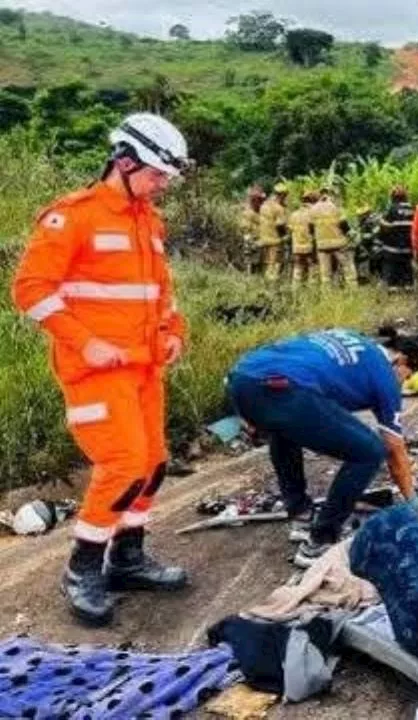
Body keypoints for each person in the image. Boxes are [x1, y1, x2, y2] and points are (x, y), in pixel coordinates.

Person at [11, 113, 191, 626]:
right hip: (96, 371)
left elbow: (160, 292)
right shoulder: (73, 217)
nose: (161, 186)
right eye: (157, 175)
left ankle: (127, 559)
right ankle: (81, 568)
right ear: (125, 161)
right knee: (123, 463)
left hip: (144, 368)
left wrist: (175, 332)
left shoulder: (147, 221)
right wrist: (85, 343)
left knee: (153, 462)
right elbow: (30, 289)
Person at [225, 328, 418, 567]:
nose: (403, 383)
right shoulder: (385, 376)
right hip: (283, 387)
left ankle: (301, 515)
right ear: (400, 361)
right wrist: (414, 503)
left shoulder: (355, 341)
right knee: (369, 452)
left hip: (242, 378)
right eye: (407, 376)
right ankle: (320, 541)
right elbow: (394, 449)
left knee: (286, 428)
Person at [312, 188, 358, 288]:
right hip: (338, 243)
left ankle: (327, 296)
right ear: (330, 194)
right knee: (348, 269)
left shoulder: (314, 208)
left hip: (322, 245)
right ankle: (353, 291)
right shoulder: (335, 206)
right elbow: (343, 223)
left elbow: (311, 226)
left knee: (325, 274)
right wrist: (350, 234)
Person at [378, 186, 417, 289]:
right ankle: (408, 285)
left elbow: (384, 225)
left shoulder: (391, 208)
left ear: (393, 197)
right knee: (407, 265)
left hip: (393, 245)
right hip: (408, 244)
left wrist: (381, 222)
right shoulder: (412, 208)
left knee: (392, 265)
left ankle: (393, 286)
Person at [256, 183, 289, 282]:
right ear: (282, 194)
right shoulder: (278, 208)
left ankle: (264, 282)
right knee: (275, 264)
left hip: (263, 239)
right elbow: (280, 225)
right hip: (274, 240)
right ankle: (272, 286)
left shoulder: (264, 205)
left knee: (266, 263)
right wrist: (286, 234)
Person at [289, 191, 318, 288]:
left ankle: (295, 291)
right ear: (313, 200)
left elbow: (290, 230)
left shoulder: (294, 214)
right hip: (310, 246)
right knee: (312, 268)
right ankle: (312, 292)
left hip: (296, 247)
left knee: (297, 269)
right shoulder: (313, 213)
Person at [239, 186, 264, 271]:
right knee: (250, 262)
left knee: (259, 263)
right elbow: (245, 229)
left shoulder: (260, 212)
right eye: (259, 200)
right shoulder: (248, 213)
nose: (261, 202)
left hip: (260, 240)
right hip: (251, 239)